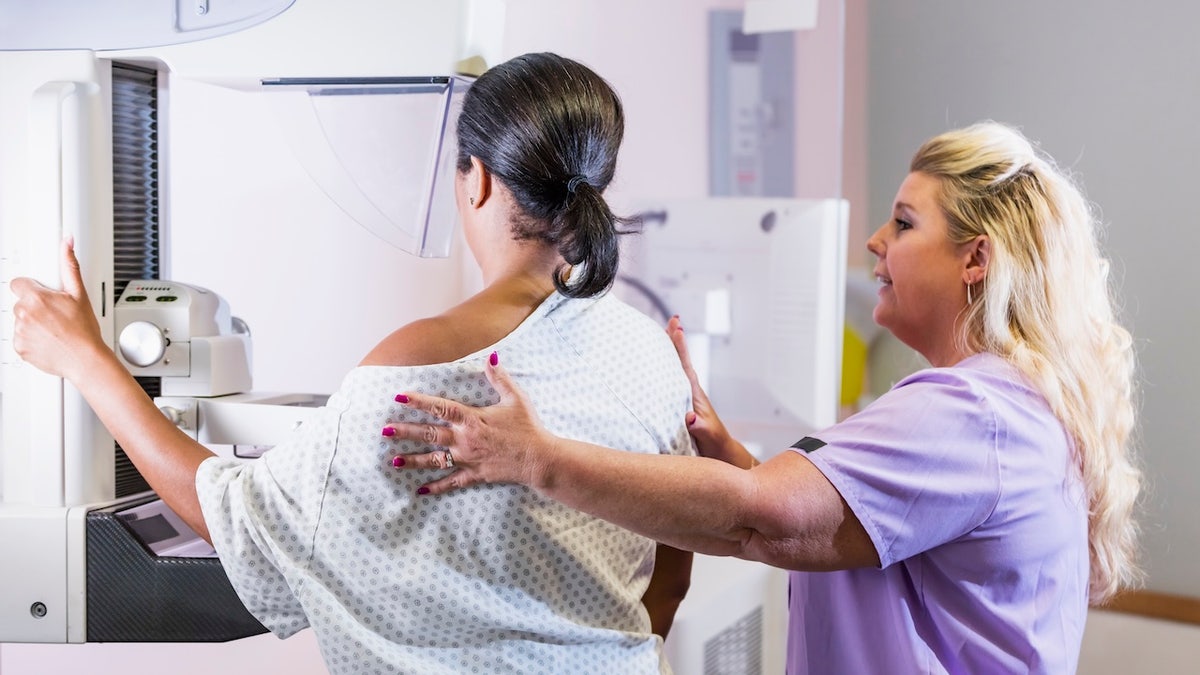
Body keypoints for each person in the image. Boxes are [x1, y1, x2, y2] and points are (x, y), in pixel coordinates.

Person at [10, 52, 696, 674]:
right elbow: (672, 573)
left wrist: (87, 359)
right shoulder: (650, 355)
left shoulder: (417, 364)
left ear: (477, 181)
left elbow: (234, 517)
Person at [384, 121, 1143, 674]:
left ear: (975, 259)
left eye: (905, 223)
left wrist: (533, 458)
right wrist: (739, 461)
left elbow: (764, 522)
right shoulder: (1011, 406)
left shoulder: (970, 412)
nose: (877, 240)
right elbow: (846, 531)